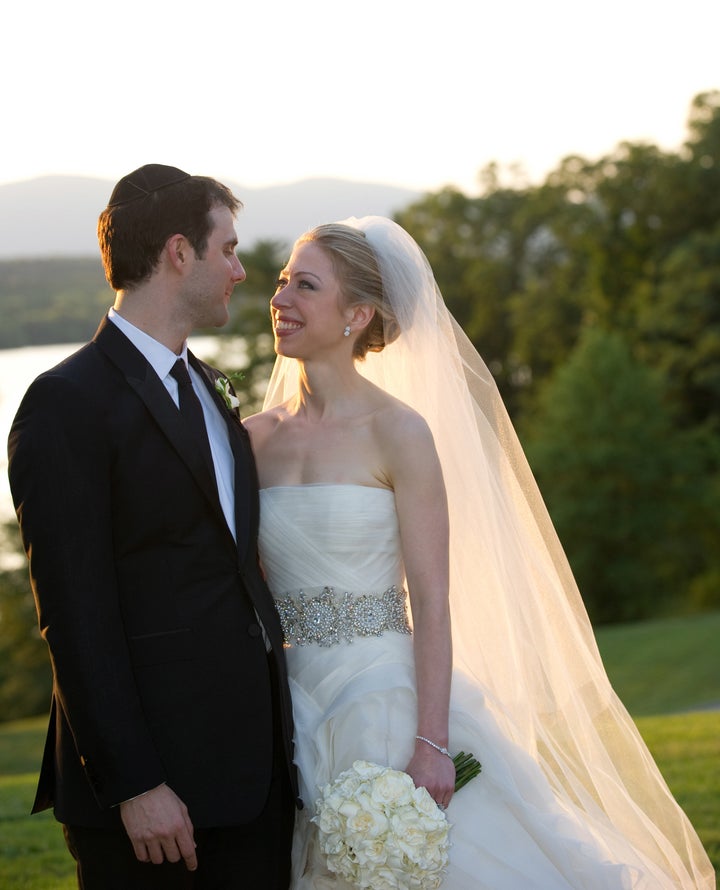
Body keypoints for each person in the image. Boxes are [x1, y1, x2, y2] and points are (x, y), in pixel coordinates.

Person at [243, 216, 714, 889]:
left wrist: (431, 743)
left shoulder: (399, 432)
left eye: (305, 286)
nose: (280, 299)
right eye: (284, 281)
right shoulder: (249, 439)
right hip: (287, 707)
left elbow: (432, 599)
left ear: (357, 315)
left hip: (384, 697)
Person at [7, 164, 298, 890]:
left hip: (253, 783)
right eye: (226, 249)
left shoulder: (206, 387)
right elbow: (73, 615)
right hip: (154, 802)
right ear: (178, 252)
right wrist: (135, 784)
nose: (239, 270)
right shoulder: (65, 403)